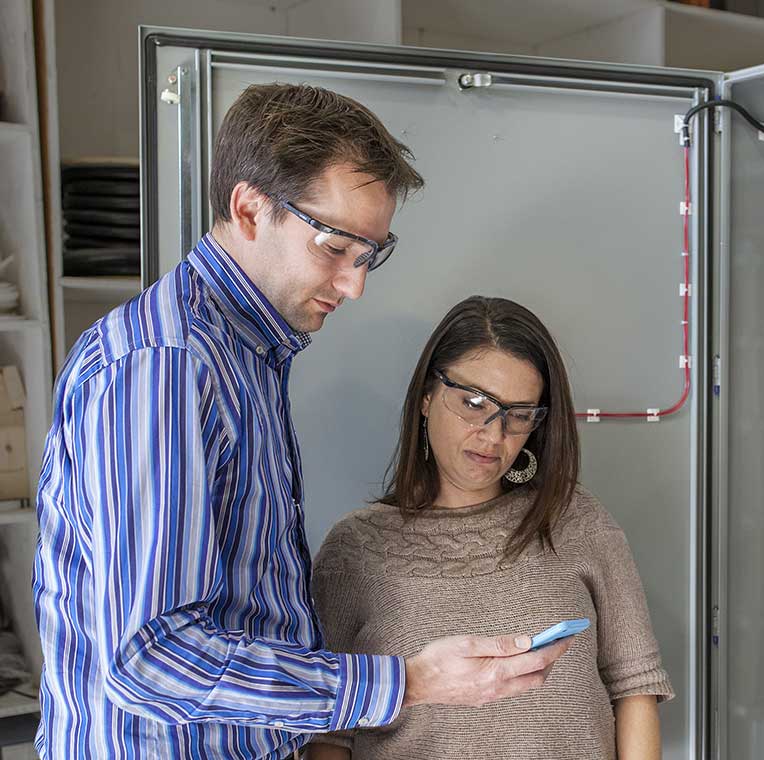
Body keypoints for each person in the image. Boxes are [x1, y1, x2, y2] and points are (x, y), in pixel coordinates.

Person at [31, 84, 569, 759]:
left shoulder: (246, 357)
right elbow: (150, 657)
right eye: (335, 246)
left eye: (371, 254)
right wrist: (406, 682)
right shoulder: (165, 369)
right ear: (250, 209)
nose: (354, 285)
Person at [308, 296, 673, 759]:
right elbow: (329, 732)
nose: (493, 434)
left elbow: (635, 686)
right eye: (474, 403)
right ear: (426, 395)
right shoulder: (354, 551)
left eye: (518, 415)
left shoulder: (576, 520)